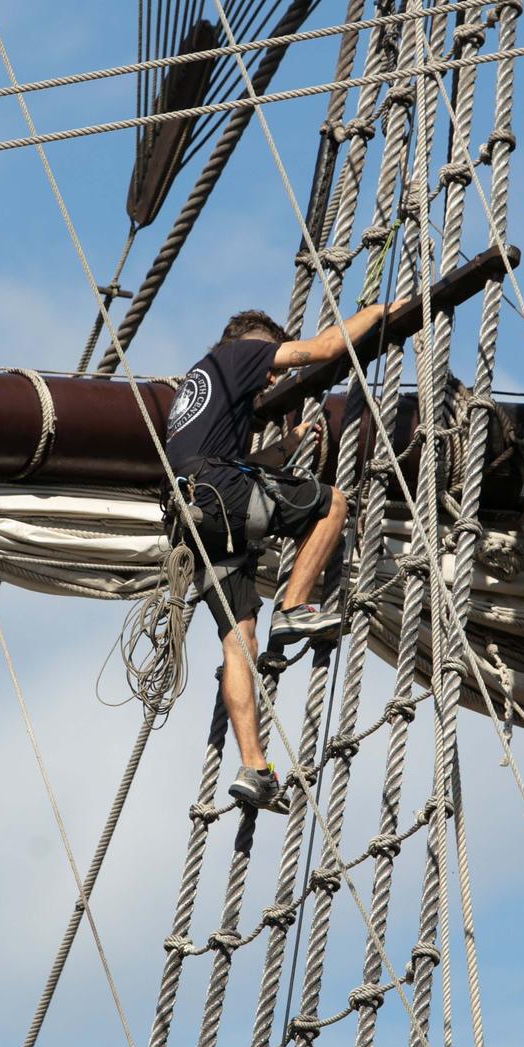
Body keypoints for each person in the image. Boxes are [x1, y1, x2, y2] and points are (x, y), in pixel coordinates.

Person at [163, 299, 406, 810]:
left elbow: (232, 463)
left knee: (239, 643)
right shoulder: (242, 354)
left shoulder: (199, 387)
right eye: (270, 364)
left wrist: (286, 445)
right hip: (219, 497)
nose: (271, 381)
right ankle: (294, 606)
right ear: (257, 342)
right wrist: (380, 311)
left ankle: (253, 767)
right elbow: (325, 348)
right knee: (332, 503)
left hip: (192, 519)